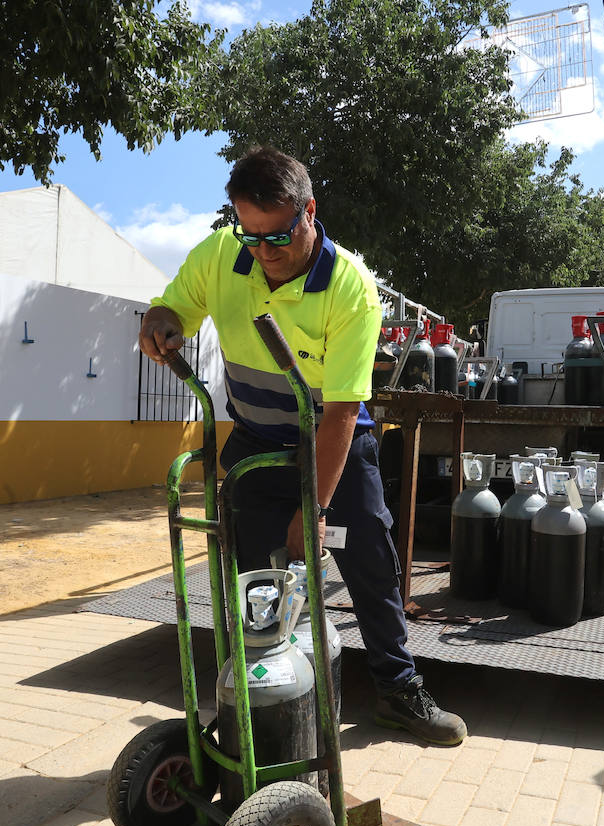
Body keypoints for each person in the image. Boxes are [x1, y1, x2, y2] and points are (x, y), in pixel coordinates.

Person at [139, 147, 466, 746]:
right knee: (250, 570)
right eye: (251, 236)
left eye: (279, 236)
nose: (264, 252)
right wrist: (161, 321)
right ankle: (252, 700)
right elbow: (175, 306)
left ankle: (398, 687)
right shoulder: (221, 255)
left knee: (369, 557)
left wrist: (311, 512)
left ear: (309, 212)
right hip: (257, 439)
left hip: (333, 440)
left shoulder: (350, 288)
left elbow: (341, 412)